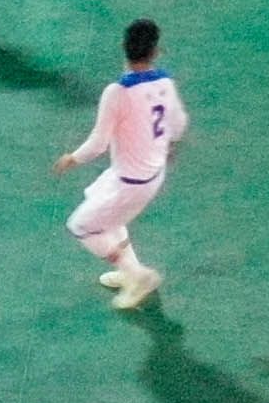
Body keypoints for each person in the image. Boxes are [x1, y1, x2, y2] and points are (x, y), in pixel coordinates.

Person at [53, 17, 189, 310]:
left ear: (123, 49)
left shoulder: (117, 92)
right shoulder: (165, 82)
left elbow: (99, 143)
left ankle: (138, 276)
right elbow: (178, 124)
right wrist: (170, 147)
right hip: (149, 175)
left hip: (130, 183)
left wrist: (71, 158)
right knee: (105, 210)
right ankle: (131, 270)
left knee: (81, 226)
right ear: (155, 52)